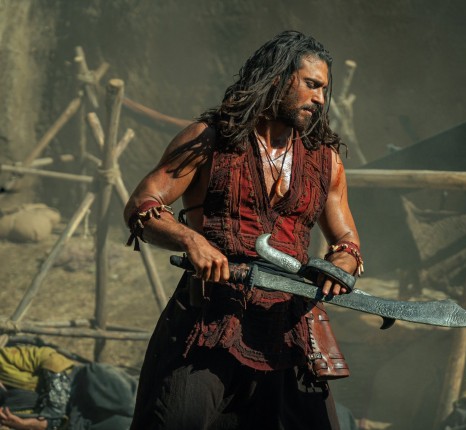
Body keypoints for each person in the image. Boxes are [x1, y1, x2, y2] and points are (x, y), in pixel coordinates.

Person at [123, 30, 362, 429]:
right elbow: (142, 206)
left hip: (290, 329)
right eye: (311, 85)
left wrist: (340, 265)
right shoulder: (210, 139)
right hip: (211, 322)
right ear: (277, 78)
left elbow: (348, 242)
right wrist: (191, 240)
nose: (321, 98)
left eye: (324, 89)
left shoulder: (325, 160)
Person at [0, 344, 136, 430]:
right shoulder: (6, 416)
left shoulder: (3, 361)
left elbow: (47, 356)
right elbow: (46, 425)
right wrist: (32, 425)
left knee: (130, 402)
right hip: (75, 420)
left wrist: (56, 405)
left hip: (82, 383)